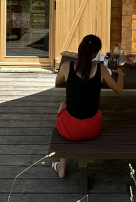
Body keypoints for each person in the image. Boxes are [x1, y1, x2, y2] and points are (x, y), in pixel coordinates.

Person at [52, 34, 124, 180]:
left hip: (70, 131)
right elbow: (118, 90)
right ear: (95, 54)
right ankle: (62, 164)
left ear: (80, 49)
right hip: (93, 129)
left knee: (64, 103)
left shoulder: (66, 66)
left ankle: (61, 166)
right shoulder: (101, 69)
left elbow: (58, 81)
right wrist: (121, 75)